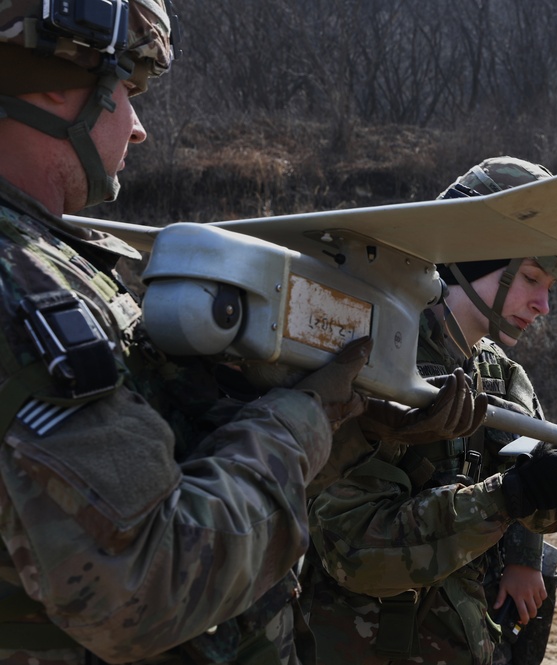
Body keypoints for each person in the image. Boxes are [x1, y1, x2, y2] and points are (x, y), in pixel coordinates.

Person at [0, 3, 483, 664]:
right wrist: (302, 419)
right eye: (127, 89)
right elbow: (146, 581)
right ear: (57, 77)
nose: (137, 128)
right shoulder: (21, 286)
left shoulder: (46, 261)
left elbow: (170, 474)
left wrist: (346, 427)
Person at [303, 157, 557, 664]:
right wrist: (510, 495)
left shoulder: (499, 374)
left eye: (549, 286)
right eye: (531, 277)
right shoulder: (376, 363)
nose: (543, 305)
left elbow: (546, 506)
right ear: (473, 257)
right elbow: (357, 551)